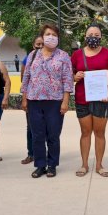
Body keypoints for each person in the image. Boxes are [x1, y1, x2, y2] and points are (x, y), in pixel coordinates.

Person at [21, 24, 73, 178]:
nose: (51, 37)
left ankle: (52, 165)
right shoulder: (33, 55)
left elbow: (67, 79)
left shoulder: (63, 56)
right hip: (34, 100)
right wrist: (24, 98)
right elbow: (26, 78)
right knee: (37, 135)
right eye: (48, 34)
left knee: (53, 135)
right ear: (42, 37)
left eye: (54, 34)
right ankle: (40, 165)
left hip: (55, 101)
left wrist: (65, 101)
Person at [71, 24, 108, 177]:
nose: (93, 37)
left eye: (97, 35)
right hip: (82, 99)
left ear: (101, 37)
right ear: (85, 37)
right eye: (90, 34)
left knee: (99, 133)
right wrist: (75, 76)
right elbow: (69, 74)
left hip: (102, 99)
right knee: (85, 132)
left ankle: (99, 165)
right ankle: (84, 165)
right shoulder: (77, 55)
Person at [20, 35, 43, 164]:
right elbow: (24, 78)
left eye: (42, 44)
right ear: (33, 45)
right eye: (37, 44)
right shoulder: (28, 58)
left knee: (46, 127)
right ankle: (31, 153)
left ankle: (43, 153)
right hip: (31, 98)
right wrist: (25, 98)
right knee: (31, 127)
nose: (40, 47)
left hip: (47, 99)